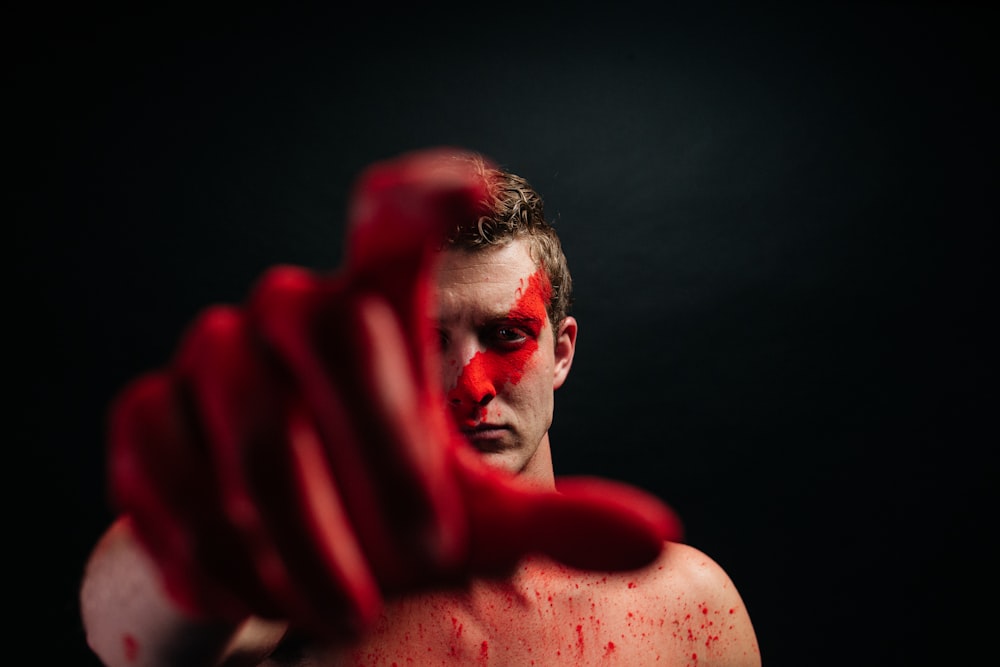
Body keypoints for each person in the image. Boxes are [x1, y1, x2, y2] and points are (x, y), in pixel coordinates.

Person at [80, 148, 761, 666]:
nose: (468, 385)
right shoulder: (315, 587)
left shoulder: (686, 605)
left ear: (562, 352)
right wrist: (196, 524)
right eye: (423, 340)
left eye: (506, 335)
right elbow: (129, 635)